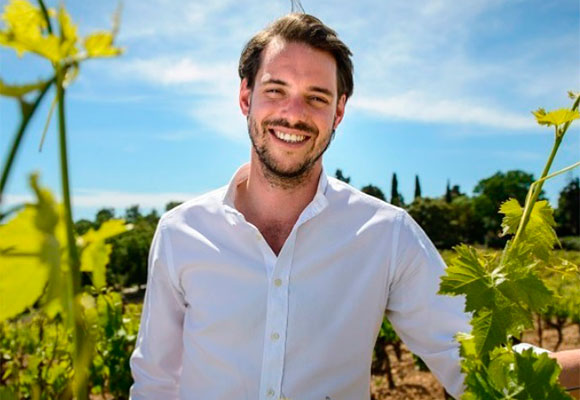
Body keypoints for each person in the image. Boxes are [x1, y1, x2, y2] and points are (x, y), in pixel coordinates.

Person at [129, 13, 579, 400]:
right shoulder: (181, 232)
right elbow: (154, 384)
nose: (294, 113)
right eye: (276, 90)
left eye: (317, 97)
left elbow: (477, 364)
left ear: (339, 112)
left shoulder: (387, 234)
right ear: (246, 97)